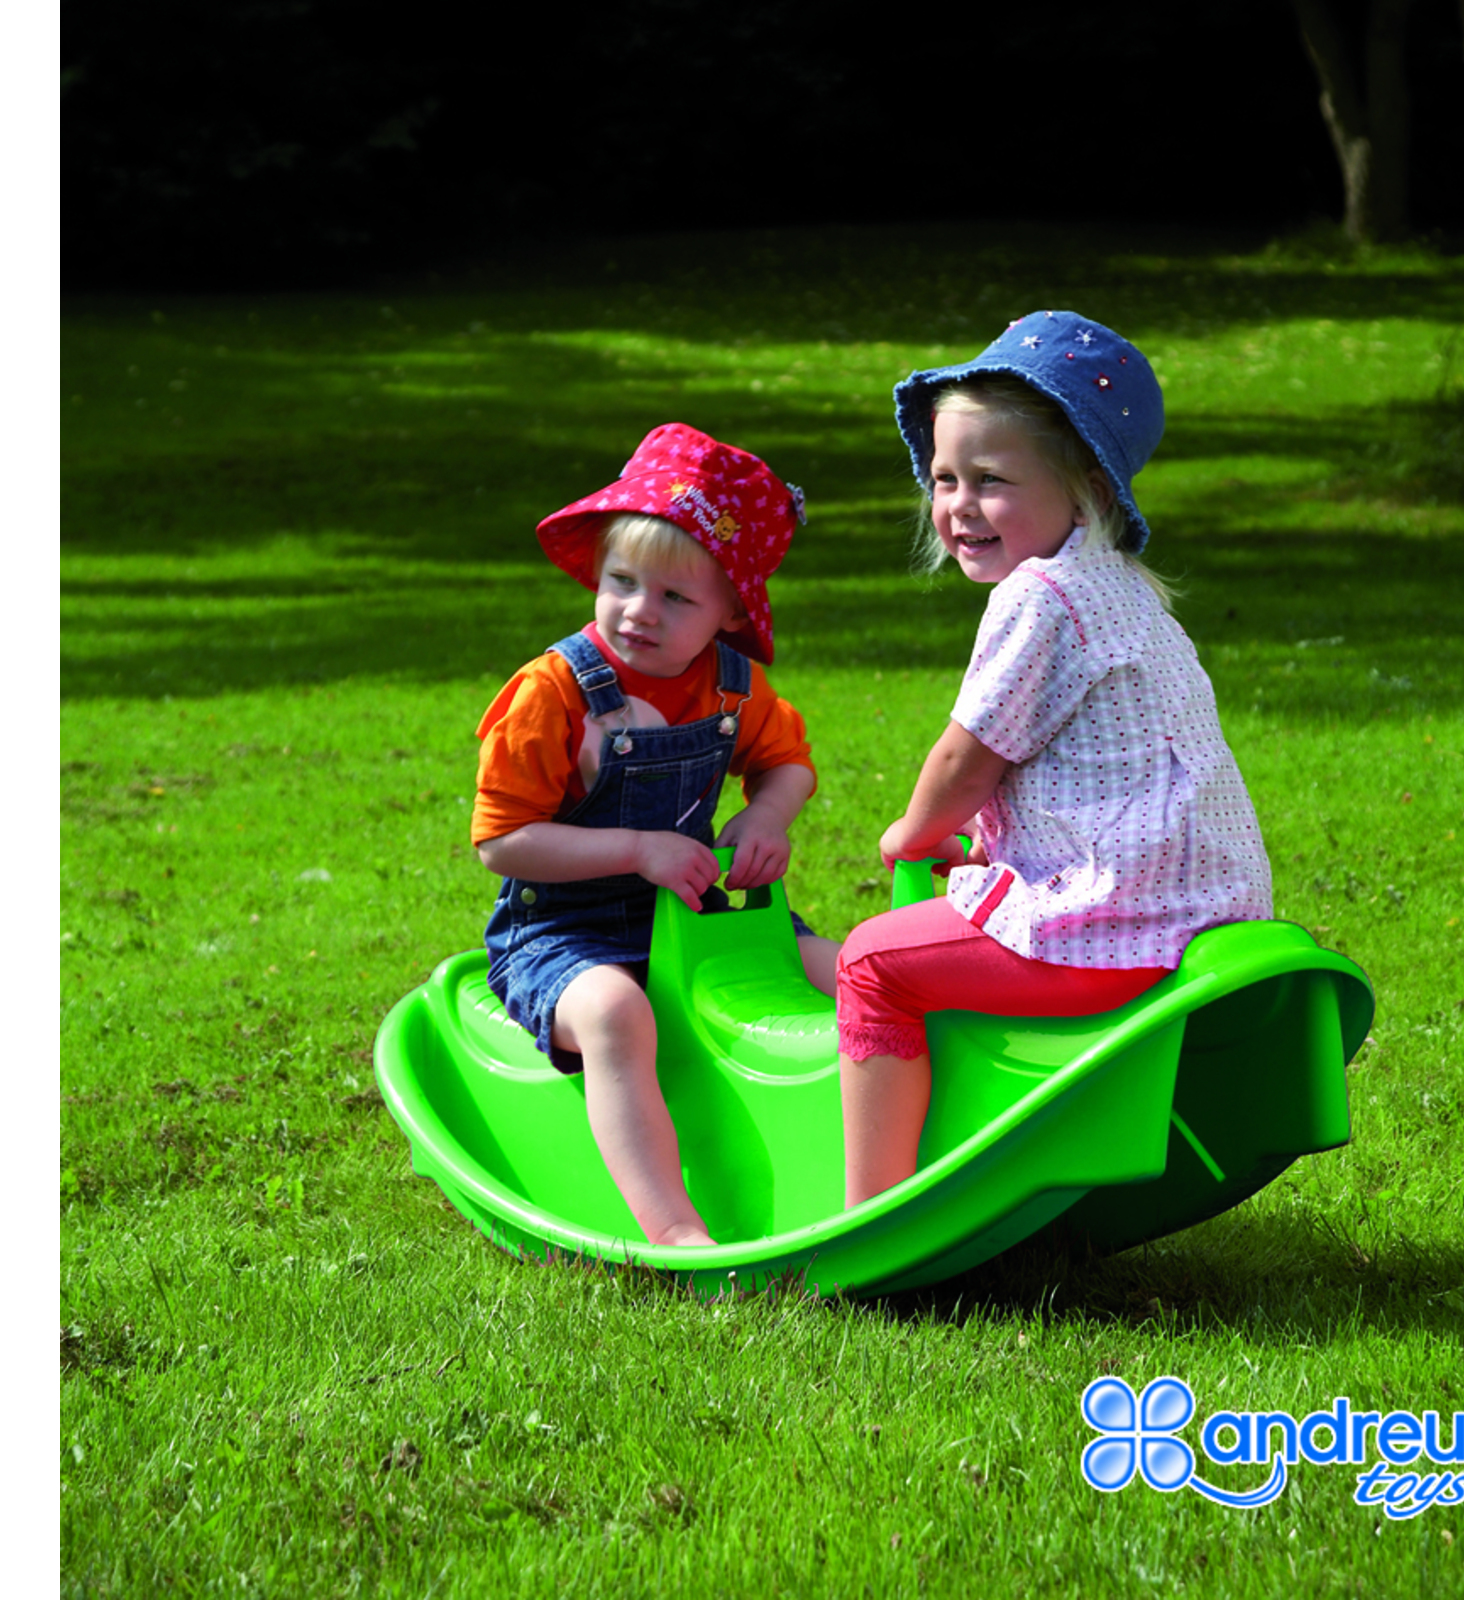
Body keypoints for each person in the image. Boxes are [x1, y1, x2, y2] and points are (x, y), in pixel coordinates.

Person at [837, 311, 1274, 1207]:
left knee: (870, 964)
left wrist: (910, 834)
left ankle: (874, 1211)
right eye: (945, 478)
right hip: (1203, 909)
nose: (960, 505)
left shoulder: (1040, 597)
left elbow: (967, 760)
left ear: (1087, 494)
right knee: (941, 931)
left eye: (992, 481)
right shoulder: (1124, 591)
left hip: (1115, 926)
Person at [474, 424, 838, 1247]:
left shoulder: (732, 687)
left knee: (851, 975)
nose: (641, 611)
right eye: (623, 581)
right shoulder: (552, 694)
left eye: (676, 598)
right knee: (616, 1014)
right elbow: (503, 841)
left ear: (730, 611)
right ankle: (673, 1226)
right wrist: (637, 850)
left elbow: (788, 764)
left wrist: (766, 815)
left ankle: (869, 1162)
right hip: (562, 929)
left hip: (694, 915)